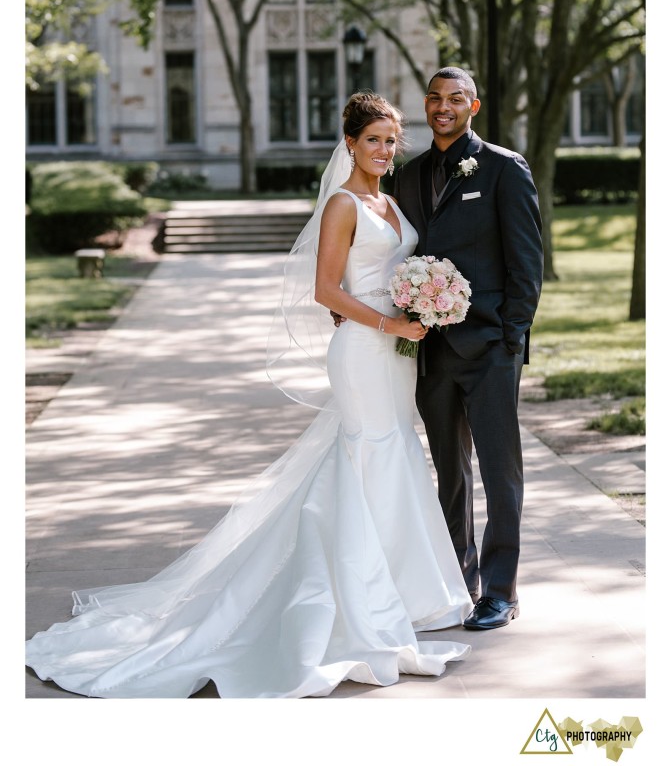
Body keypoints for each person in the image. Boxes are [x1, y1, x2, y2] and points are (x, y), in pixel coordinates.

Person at [25, 92, 473, 699]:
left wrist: (422, 302)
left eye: (392, 140)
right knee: (367, 455)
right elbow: (325, 290)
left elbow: (392, 273)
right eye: (373, 140)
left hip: (397, 354)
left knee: (391, 456)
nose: (385, 150)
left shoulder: (390, 202)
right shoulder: (344, 204)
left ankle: (400, 591)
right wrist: (390, 322)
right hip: (366, 351)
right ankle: (355, 604)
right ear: (350, 144)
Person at [392, 67, 544, 630]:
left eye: (455, 99)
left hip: (489, 348)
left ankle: (501, 591)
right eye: (434, 98)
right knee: (449, 474)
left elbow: (527, 262)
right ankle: (460, 580)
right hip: (429, 352)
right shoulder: (407, 177)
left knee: (500, 472)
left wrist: (510, 337)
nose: (443, 107)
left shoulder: (503, 168)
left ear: (473, 106)